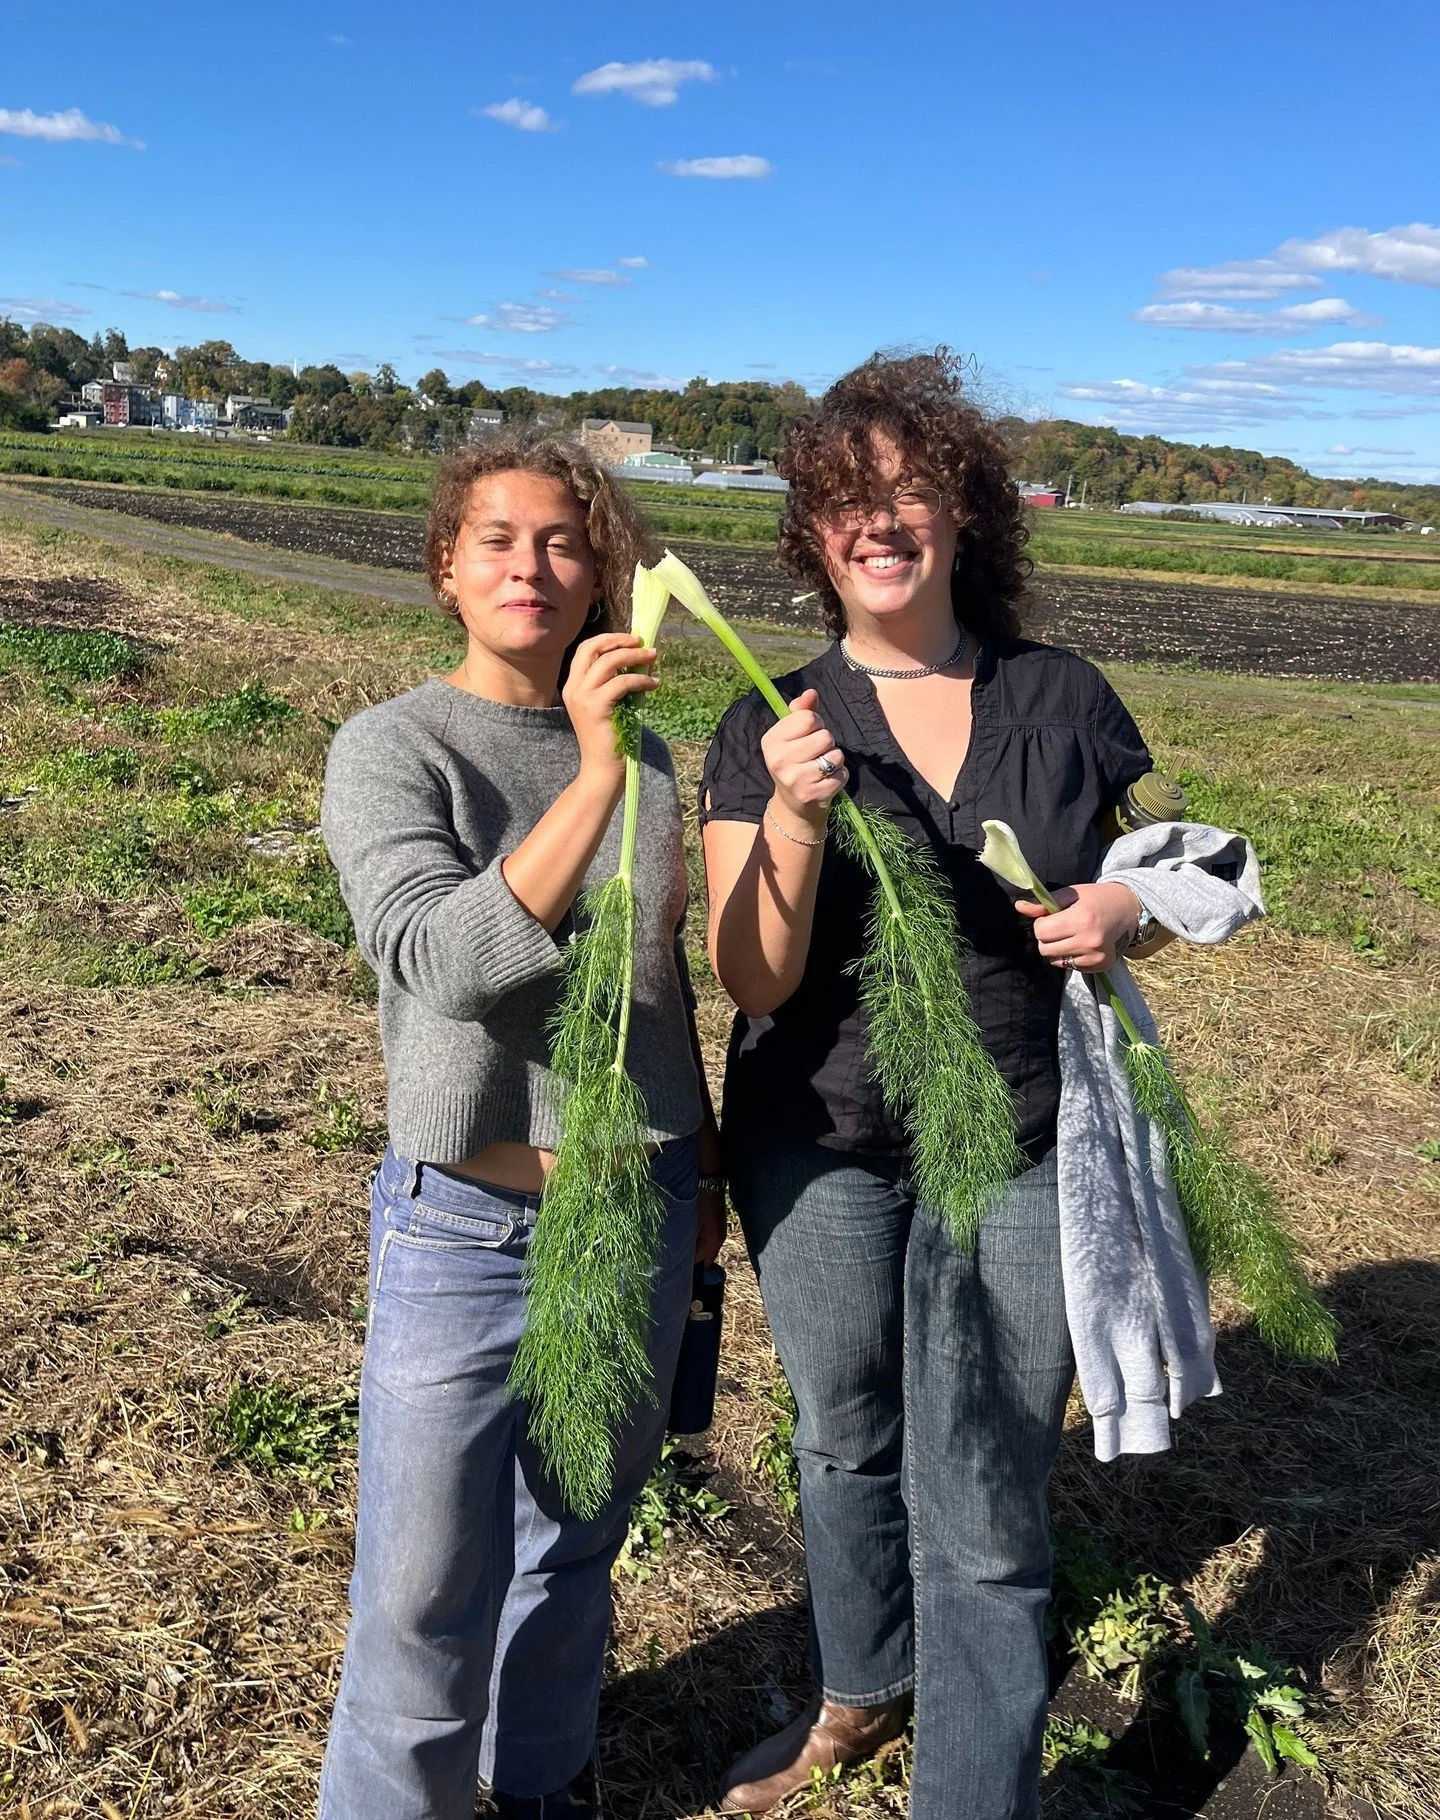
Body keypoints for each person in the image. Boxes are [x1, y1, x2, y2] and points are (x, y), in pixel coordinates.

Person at [699, 351, 1173, 1820]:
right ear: (811, 533)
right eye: (846, 498)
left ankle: (974, 1794)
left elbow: (1157, 867)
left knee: (984, 1481)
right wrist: (790, 817)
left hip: (1018, 1133)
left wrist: (1127, 911)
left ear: (966, 511)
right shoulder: (773, 717)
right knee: (845, 1430)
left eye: (910, 489)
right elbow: (753, 978)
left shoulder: (1062, 696)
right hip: (818, 1135)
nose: (880, 520)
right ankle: (862, 1689)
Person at [318, 437, 725, 1820]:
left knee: (570, 1556)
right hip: (465, 1227)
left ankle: (540, 1790)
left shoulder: (651, 756)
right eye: (496, 538)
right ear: (447, 567)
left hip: (631, 1215)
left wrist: (701, 1175)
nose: (530, 566)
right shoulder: (394, 748)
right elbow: (443, 959)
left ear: (599, 571)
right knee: (422, 1594)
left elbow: (658, 995)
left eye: (562, 541)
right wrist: (593, 778)